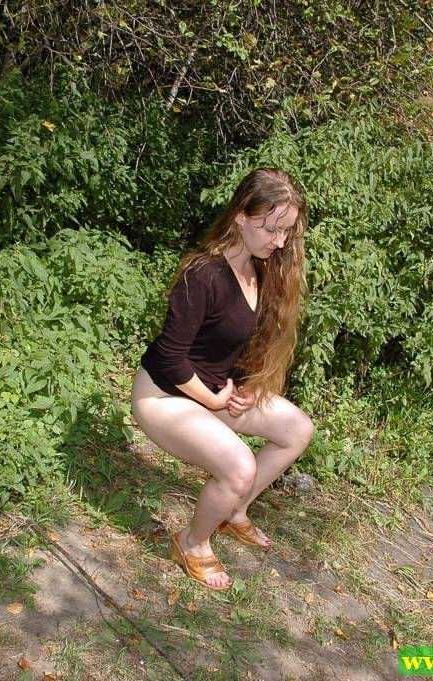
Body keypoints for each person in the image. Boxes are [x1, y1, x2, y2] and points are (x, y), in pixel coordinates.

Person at [129, 168, 315, 590]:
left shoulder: (261, 271)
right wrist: (214, 401)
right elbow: (170, 358)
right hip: (164, 395)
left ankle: (234, 511)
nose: (280, 242)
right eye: (272, 229)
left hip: (214, 391)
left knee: (297, 429)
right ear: (240, 216)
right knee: (239, 466)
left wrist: (248, 388)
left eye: (286, 231)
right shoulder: (203, 274)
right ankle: (192, 544)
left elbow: (238, 345)